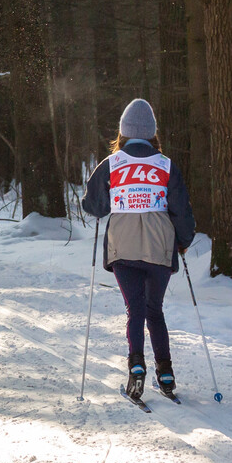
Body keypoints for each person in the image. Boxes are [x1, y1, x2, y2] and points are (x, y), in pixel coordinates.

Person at [82, 98, 195, 401]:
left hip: (123, 247)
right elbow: (182, 211)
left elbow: (93, 204)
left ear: (123, 132)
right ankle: (166, 372)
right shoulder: (166, 165)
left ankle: (136, 368)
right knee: (154, 310)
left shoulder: (113, 163)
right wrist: (183, 241)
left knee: (135, 309)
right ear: (152, 133)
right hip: (160, 246)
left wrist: (105, 200)